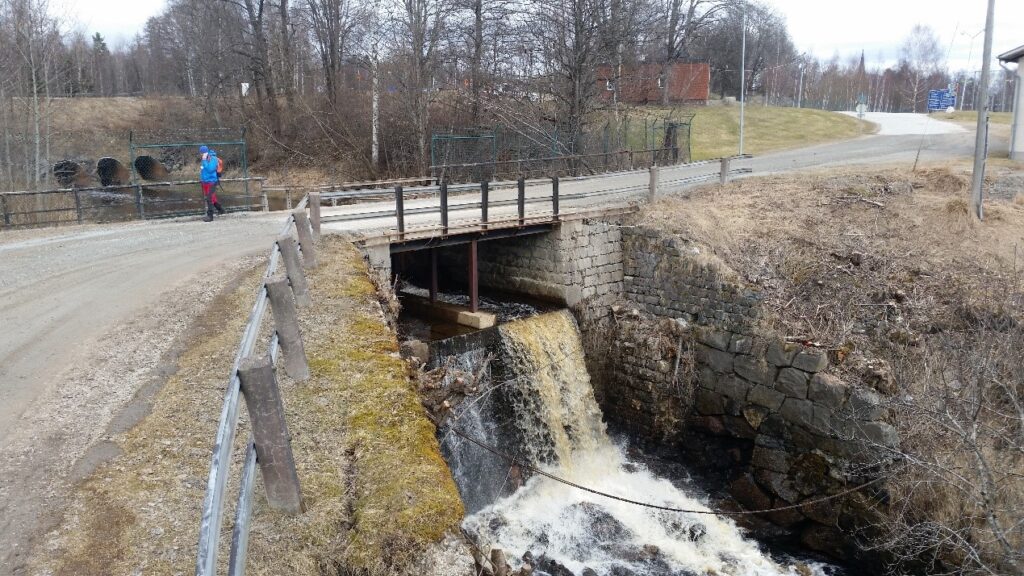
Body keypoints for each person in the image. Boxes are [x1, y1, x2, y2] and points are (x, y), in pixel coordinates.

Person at [198, 145, 223, 221]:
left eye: (201, 152)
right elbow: (204, 170)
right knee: (212, 197)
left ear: (204, 152)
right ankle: (221, 210)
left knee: (209, 198)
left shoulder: (212, 159)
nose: (201, 154)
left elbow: (210, 169)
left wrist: (205, 161)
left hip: (212, 181)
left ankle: (210, 216)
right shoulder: (205, 159)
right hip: (205, 182)